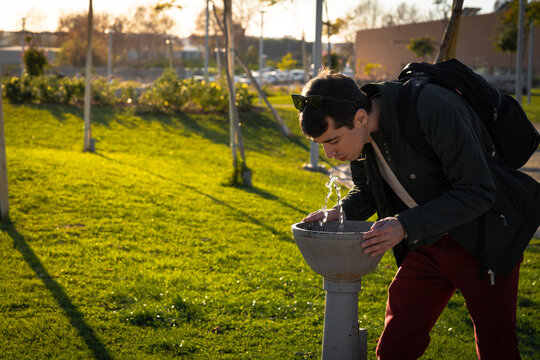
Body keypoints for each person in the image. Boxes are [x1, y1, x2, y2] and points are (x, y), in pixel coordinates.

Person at [292, 68, 540, 360]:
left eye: (332, 141)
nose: (330, 155)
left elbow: (478, 191)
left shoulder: (432, 107)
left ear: (360, 117)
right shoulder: (360, 136)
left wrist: (404, 225)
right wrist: (340, 211)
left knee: (496, 346)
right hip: (426, 241)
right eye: (322, 145)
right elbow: (367, 189)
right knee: (395, 346)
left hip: (484, 241)